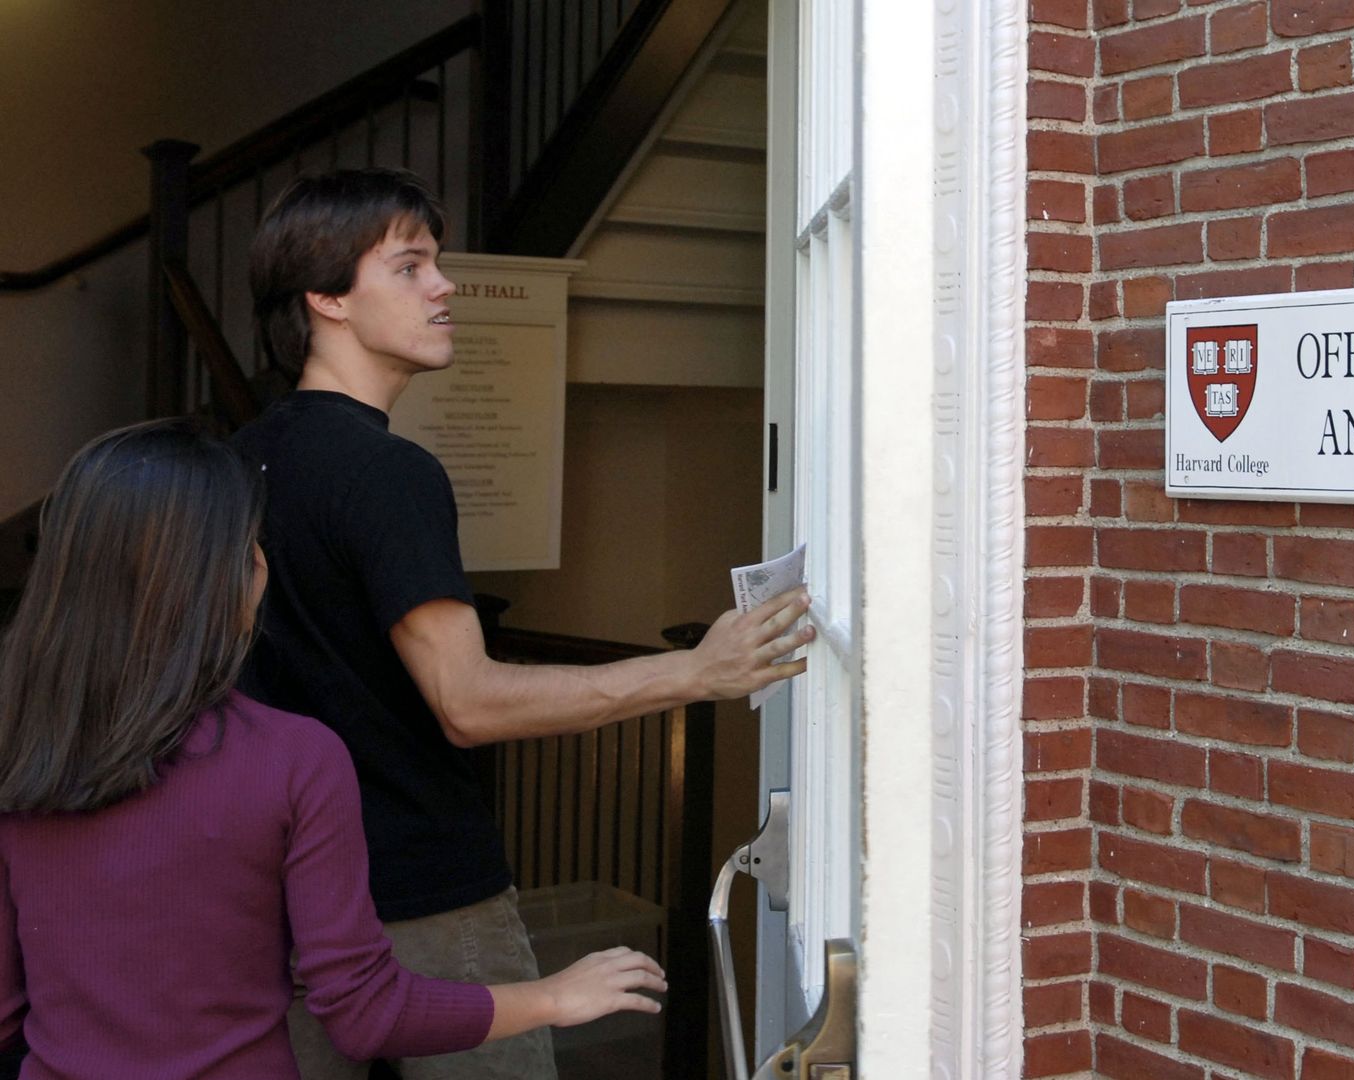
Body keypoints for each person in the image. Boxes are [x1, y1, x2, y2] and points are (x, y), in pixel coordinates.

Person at [236, 168, 810, 1078]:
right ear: (326, 296)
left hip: (277, 896)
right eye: (411, 267)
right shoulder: (390, 473)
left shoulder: (239, 461)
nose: (444, 286)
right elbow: (468, 701)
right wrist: (694, 671)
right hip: (421, 899)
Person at [0, 420, 669, 1078]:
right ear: (233, 575)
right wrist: (551, 997)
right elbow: (364, 1009)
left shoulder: (18, 748)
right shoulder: (292, 759)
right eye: (250, 543)